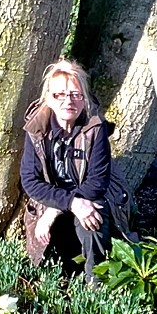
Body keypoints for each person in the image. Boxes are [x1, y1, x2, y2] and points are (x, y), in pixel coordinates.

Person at [19, 60, 132, 281]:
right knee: (55, 253)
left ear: (84, 98)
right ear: (48, 99)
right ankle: (58, 283)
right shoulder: (36, 129)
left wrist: (60, 209)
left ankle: (96, 285)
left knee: (91, 217)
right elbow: (30, 180)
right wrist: (67, 204)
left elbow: (97, 182)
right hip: (55, 198)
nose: (68, 101)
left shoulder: (95, 127)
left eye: (75, 94)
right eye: (59, 95)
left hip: (90, 197)